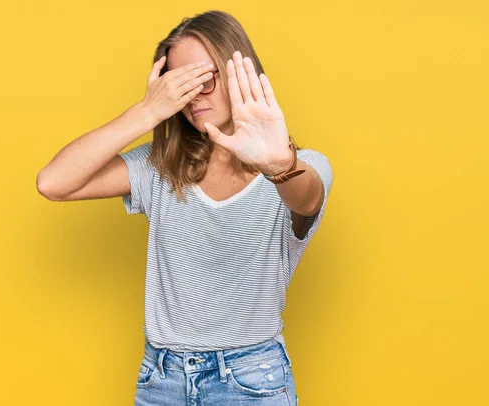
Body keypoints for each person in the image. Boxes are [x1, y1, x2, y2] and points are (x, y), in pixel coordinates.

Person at [37, 9, 332, 406]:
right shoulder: (160, 166)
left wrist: (277, 163)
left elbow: (307, 196)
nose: (195, 96)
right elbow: (52, 183)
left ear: (237, 70)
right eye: (181, 86)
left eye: (204, 79)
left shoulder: (300, 167)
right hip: (163, 380)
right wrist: (145, 112)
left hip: (252, 379)